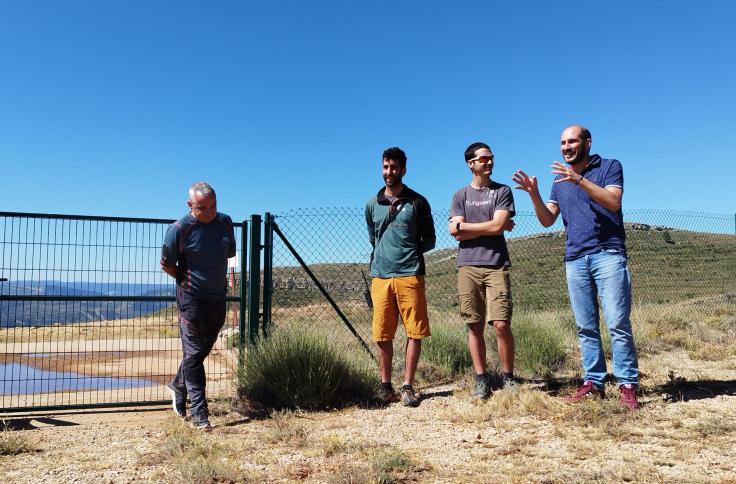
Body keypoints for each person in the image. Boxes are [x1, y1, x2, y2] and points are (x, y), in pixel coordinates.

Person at [512, 125, 640, 409]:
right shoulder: (559, 180)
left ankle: (627, 384)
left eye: (572, 141)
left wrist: (579, 180)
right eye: (562, 142)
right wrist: (533, 194)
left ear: (587, 142)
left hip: (608, 253)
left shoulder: (609, 166)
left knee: (618, 322)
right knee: (585, 326)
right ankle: (594, 382)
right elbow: (547, 220)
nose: (566, 147)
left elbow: (613, 201)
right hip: (575, 258)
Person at [161, 182, 236, 429]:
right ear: (190, 205)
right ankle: (200, 415)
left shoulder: (225, 223)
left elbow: (228, 254)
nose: (210, 212)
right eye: (203, 207)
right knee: (194, 355)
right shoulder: (179, 229)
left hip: (217, 297)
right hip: (191, 298)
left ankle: (177, 385)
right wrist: (188, 283)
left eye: (214, 206)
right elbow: (167, 265)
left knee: (203, 349)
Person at [365, 147, 436, 407]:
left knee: (413, 332)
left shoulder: (418, 202)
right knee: (382, 334)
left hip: (410, 274)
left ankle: (407, 386)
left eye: (394, 167)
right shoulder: (372, 204)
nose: (389, 172)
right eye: (385, 167)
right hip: (381, 276)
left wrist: (408, 254)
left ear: (403, 170)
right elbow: (373, 239)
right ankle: (385, 387)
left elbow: (429, 240)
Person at [448, 142, 517, 399]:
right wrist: (493, 226)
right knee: (474, 325)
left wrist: (467, 227)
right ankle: (481, 378)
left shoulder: (502, 191)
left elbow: (497, 227)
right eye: (484, 159)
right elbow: (454, 233)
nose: (489, 162)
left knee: (501, 323)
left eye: (491, 158)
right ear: (471, 163)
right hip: (467, 265)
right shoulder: (460, 195)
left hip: (496, 264)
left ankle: (508, 377)